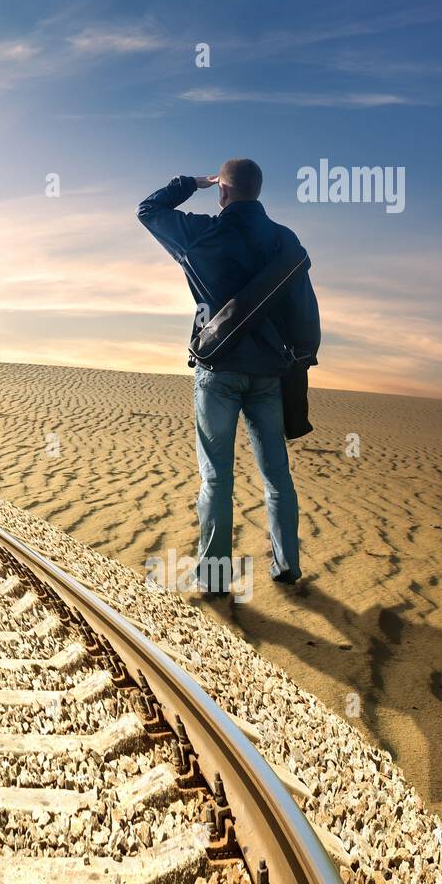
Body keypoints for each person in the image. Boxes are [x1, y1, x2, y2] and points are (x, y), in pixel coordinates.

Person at [137, 159, 320, 594]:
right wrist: (300, 360)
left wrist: (190, 183)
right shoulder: (284, 240)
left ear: (222, 190)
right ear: (258, 191)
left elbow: (148, 209)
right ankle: (287, 567)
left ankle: (214, 578)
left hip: (216, 371)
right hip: (270, 376)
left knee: (216, 478)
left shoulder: (201, 233)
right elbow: (306, 310)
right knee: (277, 476)